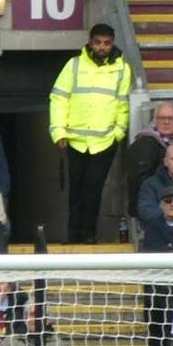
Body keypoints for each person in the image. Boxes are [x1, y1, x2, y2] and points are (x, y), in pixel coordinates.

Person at [50, 23, 133, 244]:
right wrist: (58, 131)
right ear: (90, 42)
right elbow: (59, 98)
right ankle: (73, 235)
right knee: (75, 188)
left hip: (104, 140)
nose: (102, 47)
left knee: (94, 188)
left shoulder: (122, 69)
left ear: (112, 43)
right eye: (98, 42)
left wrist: (118, 132)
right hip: (75, 139)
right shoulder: (74, 65)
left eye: (106, 43)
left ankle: (89, 234)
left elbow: (123, 104)